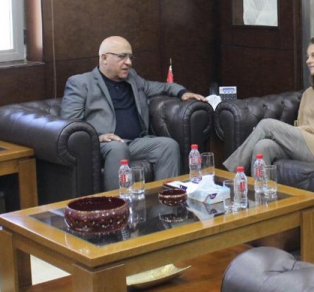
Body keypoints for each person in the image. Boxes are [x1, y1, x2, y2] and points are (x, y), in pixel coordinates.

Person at [61, 36, 207, 192]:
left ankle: (167, 202)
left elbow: (162, 87)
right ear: (104, 58)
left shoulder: (133, 78)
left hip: (136, 142)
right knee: (118, 148)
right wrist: (98, 137)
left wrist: (183, 93)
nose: (129, 62)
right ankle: (118, 203)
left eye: (130, 57)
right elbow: (70, 123)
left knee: (168, 146)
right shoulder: (81, 83)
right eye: (122, 56)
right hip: (103, 144)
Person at [223, 37, 314, 172]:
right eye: (307, 57)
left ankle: (230, 173)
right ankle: (261, 186)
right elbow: (301, 127)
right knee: (263, 146)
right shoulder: (308, 93)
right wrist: (301, 130)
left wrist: (306, 129)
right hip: (308, 146)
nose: (308, 61)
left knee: (266, 125)